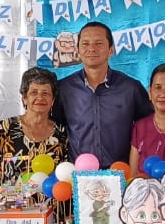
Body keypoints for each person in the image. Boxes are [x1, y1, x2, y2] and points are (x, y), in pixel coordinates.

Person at [54, 21, 152, 167]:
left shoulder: (131, 88)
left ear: (111, 50)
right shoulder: (64, 89)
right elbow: (55, 129)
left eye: (99, 43)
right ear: (78, 51)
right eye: (85, 44)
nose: (91, 48)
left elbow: (148, 129)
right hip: (76, 175)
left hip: (121, 173)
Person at [0, 67, 70, 184]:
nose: (40, 97)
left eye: (45, 93)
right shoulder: (4, 128)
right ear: (24, 98)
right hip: (10, 196)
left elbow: (65, 175)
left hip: (50, 196)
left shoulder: (62, 133)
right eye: (34, 92)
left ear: (52, 100)